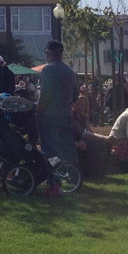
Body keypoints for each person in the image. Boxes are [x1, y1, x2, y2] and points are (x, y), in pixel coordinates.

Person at [36, 40, 80, 169]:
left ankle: (53, 176)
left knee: (49, 146)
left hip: (49, 114)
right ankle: (73, 173)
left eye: (46, 52)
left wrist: (39, 109)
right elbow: (76, 93)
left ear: (49, 52)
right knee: (67, 145)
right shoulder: (70, 71)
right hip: (66, 112)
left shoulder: (48, 69)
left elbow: (45, 93)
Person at [72, 94, 110, 178]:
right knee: (93, 145)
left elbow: (90, 133)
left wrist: (105, 138)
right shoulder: (71, 118)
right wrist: (77, 144)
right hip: (74, 143)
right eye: (78, 104)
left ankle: (100, 171)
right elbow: (70, 135)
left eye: (82, 105)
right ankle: (88, 173)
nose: (80, 107)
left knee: (105, 144)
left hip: (84, 140)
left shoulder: (83, 118)